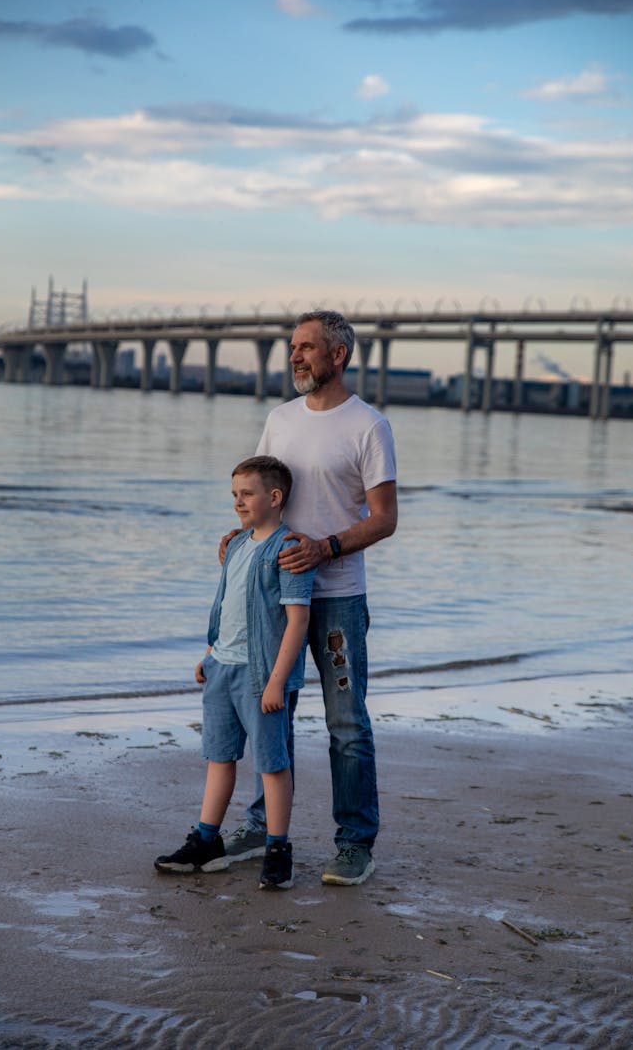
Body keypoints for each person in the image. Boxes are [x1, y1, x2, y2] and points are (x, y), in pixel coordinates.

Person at [223, 310, 397, 886]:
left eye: (305, 348)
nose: (294, 356)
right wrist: (244, 534)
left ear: (338, 355)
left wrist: (326, 548)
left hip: (339, 600)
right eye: (292, 347)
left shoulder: (368, 426)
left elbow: (385, 520)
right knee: (270, 712)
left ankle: (355, 844)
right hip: (274, 596)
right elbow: (260, 490)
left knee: (346, 723)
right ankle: (260, 829)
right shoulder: (279, 419)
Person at [154, 455, 316, 891]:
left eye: (246, 494)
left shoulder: (288, 551)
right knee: (219, 757)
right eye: (234, 495)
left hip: (260, 675)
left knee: (272, 764)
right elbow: (225, 604)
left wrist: (277, 681)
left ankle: (279, 849)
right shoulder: (238, 546)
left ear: (274, 497)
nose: (238, 503)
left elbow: (297, 621)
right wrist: (209, 652)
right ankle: (206, 841)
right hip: (222, 667)